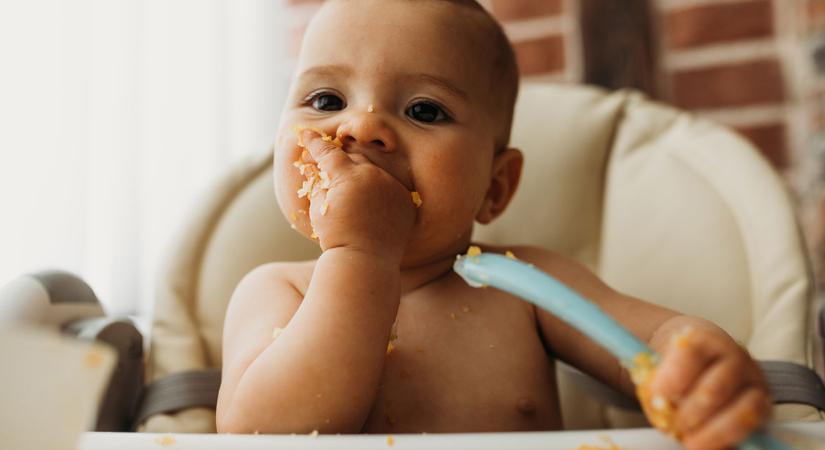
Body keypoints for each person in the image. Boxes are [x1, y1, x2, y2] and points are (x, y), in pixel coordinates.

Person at [216, 1, 771, 448]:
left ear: (495, 187)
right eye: (325, 98)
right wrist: (361, 256)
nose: (361, 127)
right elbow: (261, 434)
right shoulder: (277, 291)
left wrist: (698, 363)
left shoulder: (524, 284)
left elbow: (648, 342)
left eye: (424, 110)